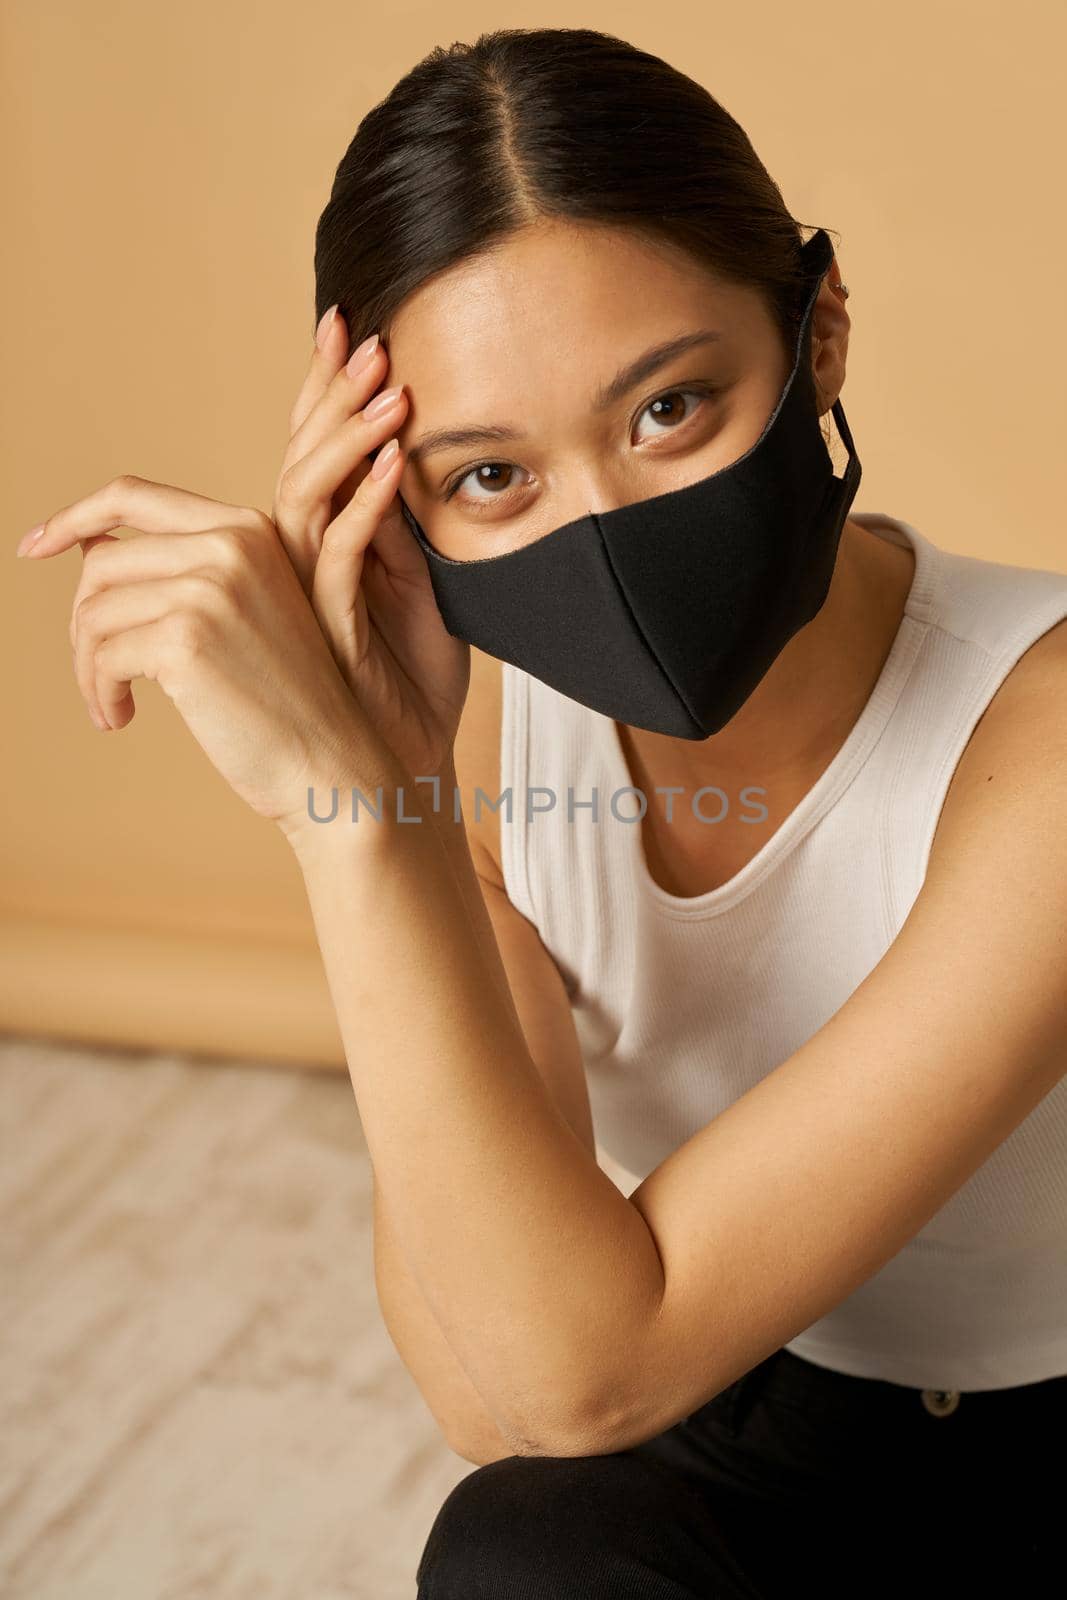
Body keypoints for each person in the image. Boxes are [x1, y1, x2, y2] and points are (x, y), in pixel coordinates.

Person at [22, 25, 1066, 1599]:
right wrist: (379, 796)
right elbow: (493, 1383)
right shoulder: (532, 719)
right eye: (491, 478)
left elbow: (598, 1367)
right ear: (393, 512)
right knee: (522, 1554)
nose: (604, 538)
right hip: (753, 1406)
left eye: (667, 411)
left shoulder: (1045, 735)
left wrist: (352, 814)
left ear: (818, 334)